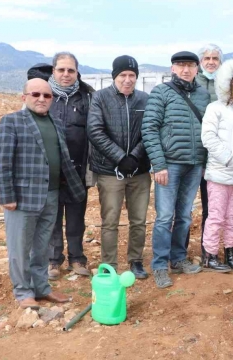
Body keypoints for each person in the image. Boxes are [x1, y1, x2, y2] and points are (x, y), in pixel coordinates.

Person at [0, 78, 86, 309]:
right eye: (36, 94)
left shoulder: (55, 122)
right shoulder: (11, 122)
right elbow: (1, 162)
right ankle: (24, 292)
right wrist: (7, 197)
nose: (42, 99)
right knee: (20, 248)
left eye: (47, 95)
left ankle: (42, 288)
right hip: (22, 199)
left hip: (50, 195)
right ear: (24, 97)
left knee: (42, 246)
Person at [142, 51, 210, 288]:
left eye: (190, 65)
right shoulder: (162, 92)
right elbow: (149, 129)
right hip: (169, 165)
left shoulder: (204, 95)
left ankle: (178, 258)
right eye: (180, 65)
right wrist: (158, 164)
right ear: (172, 68)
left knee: (184, 215)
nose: (185, 70)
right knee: (164, 217)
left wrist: (204, 162)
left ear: (196, 68)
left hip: (194, 165)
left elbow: (210, 132)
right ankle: (160, 265)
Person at [87, 55, 151, 278]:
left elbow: (150, 130)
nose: (127, 79)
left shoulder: (145, 99)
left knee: (139, 220)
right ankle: (110, 265)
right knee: (110, 220)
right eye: (123, 75)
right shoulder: (100, 98)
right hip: (109, 171)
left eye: (132, 75)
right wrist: (119, 158)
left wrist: (133, 156)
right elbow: (95, 131)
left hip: (139, 170)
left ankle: (136, 260)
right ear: (115, 76)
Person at [200, 59, 233, 273]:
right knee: (216, 216)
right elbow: (208, 138)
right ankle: (210, 255)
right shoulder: (215, 109)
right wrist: (228, 158)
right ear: (225, 85)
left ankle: (231, 254)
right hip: (220, 175)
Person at [47, 52, 95, 280]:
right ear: (53, 71)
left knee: (77, 218)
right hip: (50, 172)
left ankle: (77, 258)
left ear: (77, 72)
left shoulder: (87, 97)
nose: (66, 74)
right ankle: (54, 261)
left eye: (71, 70)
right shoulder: (43, 96)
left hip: (78, 170)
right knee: (52, 218)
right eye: (61, 70)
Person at [186, 44, 223, 252]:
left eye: (215, 58)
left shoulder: (224, 85)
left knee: (213, 207)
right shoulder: (191, 83)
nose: (211, 62)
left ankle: (208, 251)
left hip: (216, 157)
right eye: (207, 58)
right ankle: (179, 253)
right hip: (192, 153)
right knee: (185, 206)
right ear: (200, 62)